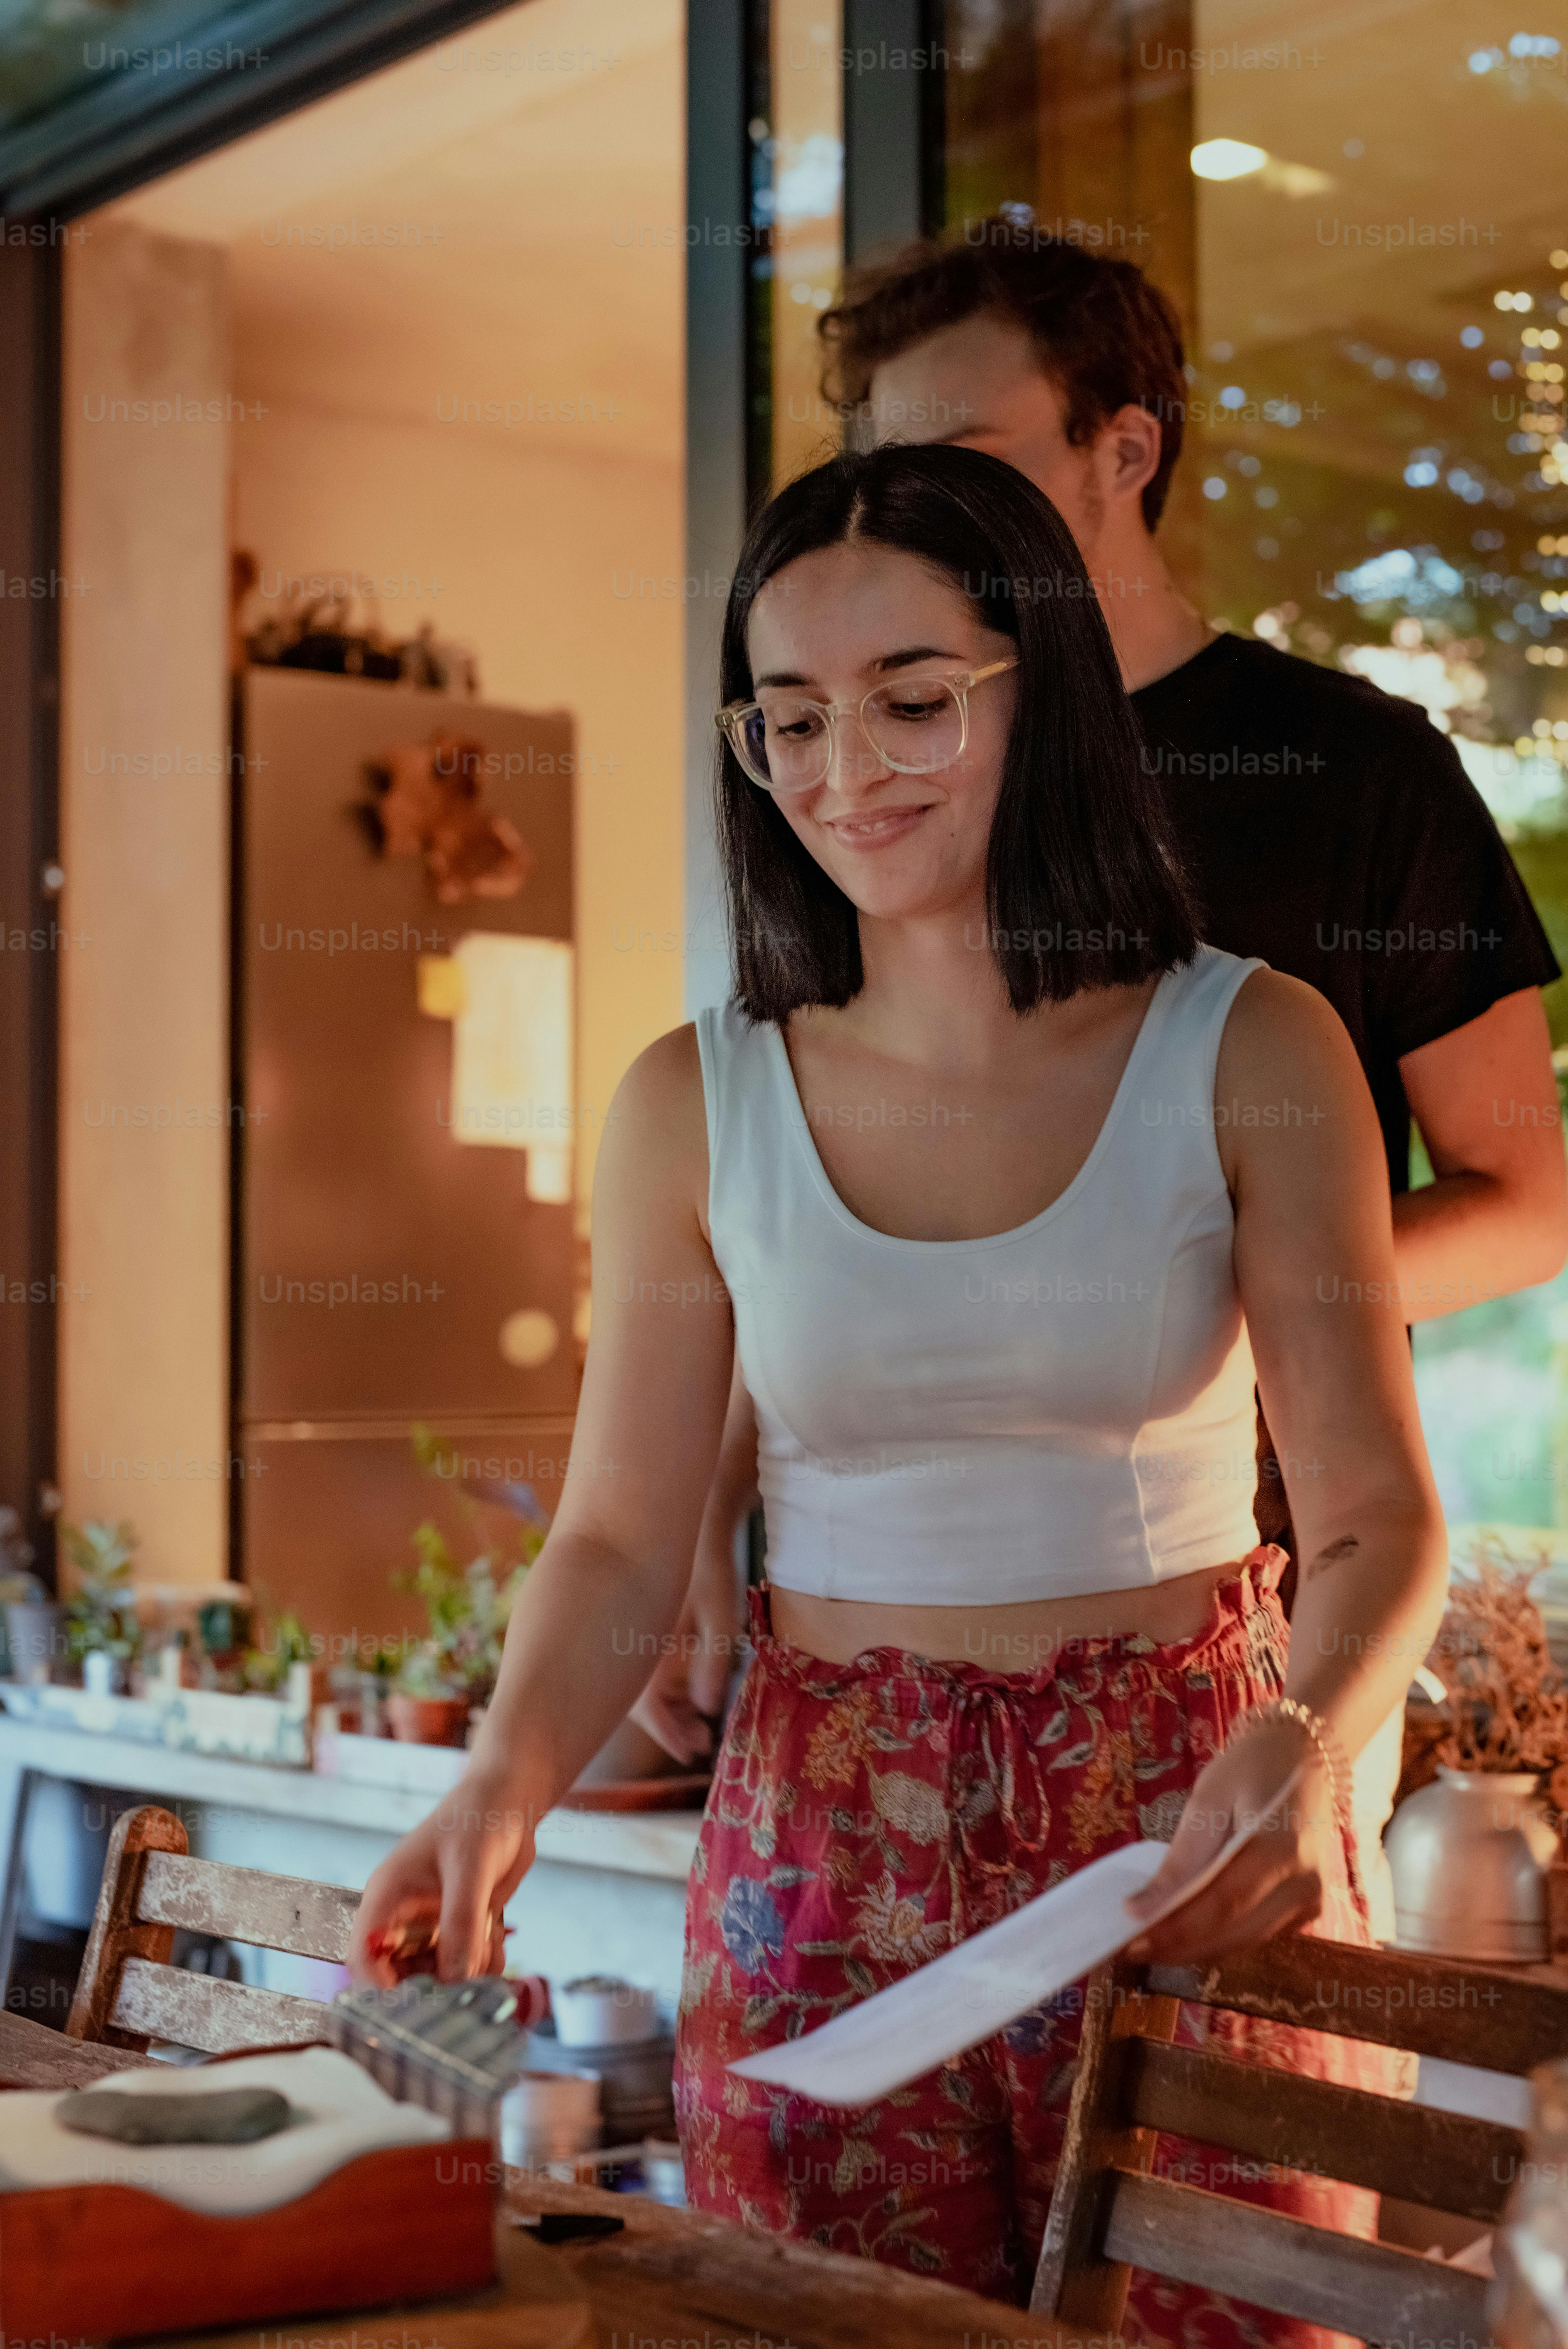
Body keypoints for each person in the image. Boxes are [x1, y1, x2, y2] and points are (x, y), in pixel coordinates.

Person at [353, 443, 1449, 2330]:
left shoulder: (1252, 1046)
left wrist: (1313, 1741)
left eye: (911, 699)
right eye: (790, 718)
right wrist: (500, 1787)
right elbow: (615, 1539)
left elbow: (1374, 1516)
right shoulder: (692, 1101)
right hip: (818, 1843)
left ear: (1046, 690)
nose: (844, 769)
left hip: (1180, 1824)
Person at [634, 222, 1568, 1931]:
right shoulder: (863, 793)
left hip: (1262, 1614)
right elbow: (794, 1206)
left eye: (962, 453)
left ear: (1121, 450)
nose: (857, 760)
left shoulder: (1352, 771)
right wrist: (696, 1503)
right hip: (883, 1660)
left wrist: (1204, 1287)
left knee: (1212, 2055)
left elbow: (1528, 1201)